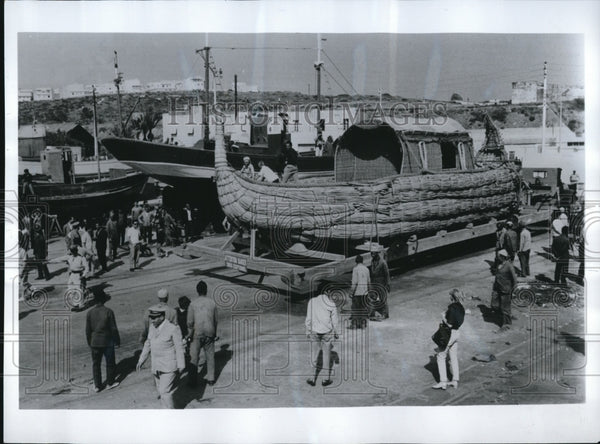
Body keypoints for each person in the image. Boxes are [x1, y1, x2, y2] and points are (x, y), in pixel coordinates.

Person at [136, 307, 185, 409]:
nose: (152, 320)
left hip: (169, 366)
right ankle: (165, 411)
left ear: (162, 317)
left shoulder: (173, 328)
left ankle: (171, 415)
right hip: (156, 366)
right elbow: (148, 344)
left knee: (164, 391)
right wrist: (141, 360)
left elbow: (179, 348)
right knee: (161, 391)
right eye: (151, 318)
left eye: (154, 318)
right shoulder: (152, 327)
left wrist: (181, 364)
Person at [85, 290, 121, 392]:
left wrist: (90, 342)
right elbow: (113, 328)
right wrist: (117, 341)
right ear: (104, 299)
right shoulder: (109, 311)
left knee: (96, 364)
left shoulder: (89, 313)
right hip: (107, 341)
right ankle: (110, 382)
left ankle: (97, 386)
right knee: (110, 363)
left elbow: (88, 330)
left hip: (94, 342)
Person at [305, 283, 339, 387]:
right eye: (330, 291)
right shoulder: (331, 303)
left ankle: (312, 378)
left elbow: (309, 318)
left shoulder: (312, 301)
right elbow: (335, 321)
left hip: (314, 331)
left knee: (314, 355)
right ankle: (325, 380)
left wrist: (308, 331)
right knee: (326, 356)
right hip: (327, 332)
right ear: (326, 292)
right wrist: (336, 332)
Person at [432, 289, 465, 390]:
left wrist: (443, 317)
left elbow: (449, 324)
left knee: (441, 356)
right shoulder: (461, 307)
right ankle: (455, 380)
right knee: (453, 356)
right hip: (457, 333)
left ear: (452, 297)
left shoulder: (452, 308)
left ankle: (443, 382)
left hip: (450, 334)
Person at [186, 280, 218, 387]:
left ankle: (193, 381)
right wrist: (215, 333)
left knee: (194, 357)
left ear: (197, 291)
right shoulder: (212, 303)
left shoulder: (192, 304)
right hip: (209, 332)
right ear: (206, 290)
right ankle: (211, 379)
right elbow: (215, 320)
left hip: (197, 333)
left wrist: (189, 334)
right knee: (210, 355)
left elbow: (190, 322)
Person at [491, 249, 518, 331]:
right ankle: (505, 317)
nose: (497, 257)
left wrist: (514, 289)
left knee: (505, 307)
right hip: (497, 287)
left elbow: (514, 278)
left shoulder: (509, 265)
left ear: (502, 257)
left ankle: (506, 324)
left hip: (506, 289)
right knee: (494, 304)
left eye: (499, 256)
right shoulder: (499, 264)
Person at [348, 255, 370, 329]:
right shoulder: (366, 269)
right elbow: (368, 281)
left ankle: (354, 324)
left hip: (357, 292)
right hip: (365, 292)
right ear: (362, 261)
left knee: (355, 308)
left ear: (356, 261)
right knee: (363, 308)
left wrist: (351, 292)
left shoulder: (355, 269)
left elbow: (355, 282)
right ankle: (363, 324)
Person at [369, 249, 390, 320]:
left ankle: (385, 314)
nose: (372, 254)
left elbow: (387, 274)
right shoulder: (372, 261)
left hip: (381, 283)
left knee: (382, 298)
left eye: (373, 253)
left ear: (377, 253)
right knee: (373, 297)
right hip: (374, 282)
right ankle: (372, 313)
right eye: (371, 253)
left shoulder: (383, 262)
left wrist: (387, 284)